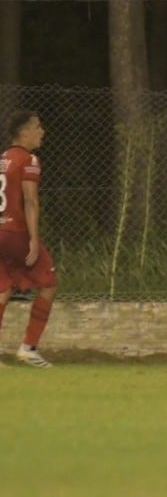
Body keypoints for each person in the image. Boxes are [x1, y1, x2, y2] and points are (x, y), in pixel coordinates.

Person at [0, 112, 59, 368]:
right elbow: (30, 200)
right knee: (49, 282)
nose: (42, 131)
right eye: (37, 127)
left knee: (2, 290)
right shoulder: (29, 159)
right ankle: (29, 348)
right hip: (16, 233)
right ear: (24, 133)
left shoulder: (2, 159)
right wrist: (34, 239)